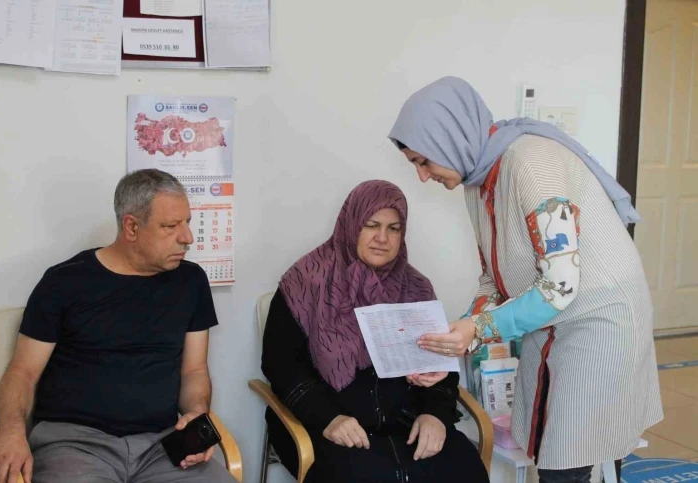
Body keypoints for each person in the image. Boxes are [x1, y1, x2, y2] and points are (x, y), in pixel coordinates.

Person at [388, 77, 663, 482]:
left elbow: (560, 286)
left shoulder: (533, 164)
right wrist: (456, 343)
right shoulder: (476, 182)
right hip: (549, 321)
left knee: (566, 461)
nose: (422, 177)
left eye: (423, 161)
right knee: (549, 447)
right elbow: (492, 279)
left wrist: (476, 329)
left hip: (599, 320)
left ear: (449, 138)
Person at [0, 169, 235, 483]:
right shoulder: (64, 282)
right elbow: (22, 372)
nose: (187, 237)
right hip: (74, 445)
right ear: (131, 227)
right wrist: (11, 430)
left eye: (187, 222)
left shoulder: (191, 282)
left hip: (162, 445)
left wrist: (197, 413)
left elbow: (194, 371)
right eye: (171, 226)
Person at [261, 180, 489, 483]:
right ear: (351, 224)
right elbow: (281, 364)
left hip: (406, 423)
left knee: (463, 467)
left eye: (394, 229)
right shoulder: (304, 283)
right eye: (371, 225)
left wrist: (435, 414)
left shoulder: (416, 287)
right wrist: (327, 418)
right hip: (328, 424)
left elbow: (438, 364)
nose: (382, 238)